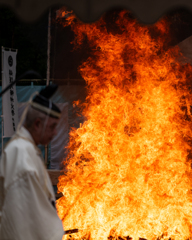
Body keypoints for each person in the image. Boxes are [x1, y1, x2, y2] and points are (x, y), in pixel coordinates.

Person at [0, 85, 64, 240]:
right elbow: (25, 224)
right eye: (52, 126)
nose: (55, 133)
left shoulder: (25, 149)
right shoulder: (22, 155)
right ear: (37, 124)